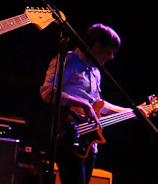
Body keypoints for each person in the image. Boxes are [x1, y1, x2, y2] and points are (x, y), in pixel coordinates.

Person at [39, 23, 130, 184]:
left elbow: (98, 105)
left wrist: (132, 113)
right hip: (67, 139)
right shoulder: (68, 61)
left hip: (88, 144)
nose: (111, 57)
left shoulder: (95, 71)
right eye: (109, 52)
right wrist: (83, 104)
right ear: (96, 46)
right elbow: (47, 92)